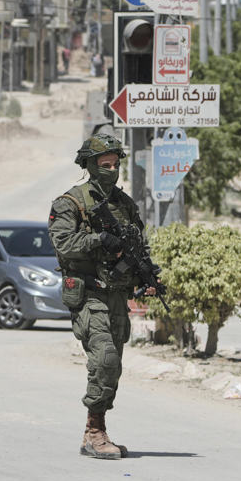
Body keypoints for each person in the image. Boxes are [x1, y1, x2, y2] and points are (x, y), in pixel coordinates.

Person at [48, 134, 157, 459]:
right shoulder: (70, 203)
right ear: (90, 166)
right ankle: (95, 432)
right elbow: (63, 245)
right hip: (88, 292)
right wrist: (98, 240)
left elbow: (138, 245)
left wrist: (146, 274)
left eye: (115, 164)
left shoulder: (124, 205)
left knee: (114, 367)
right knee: (104, 358)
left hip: (117, 294)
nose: (111, 170)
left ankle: (95, 427)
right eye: (104, 165)